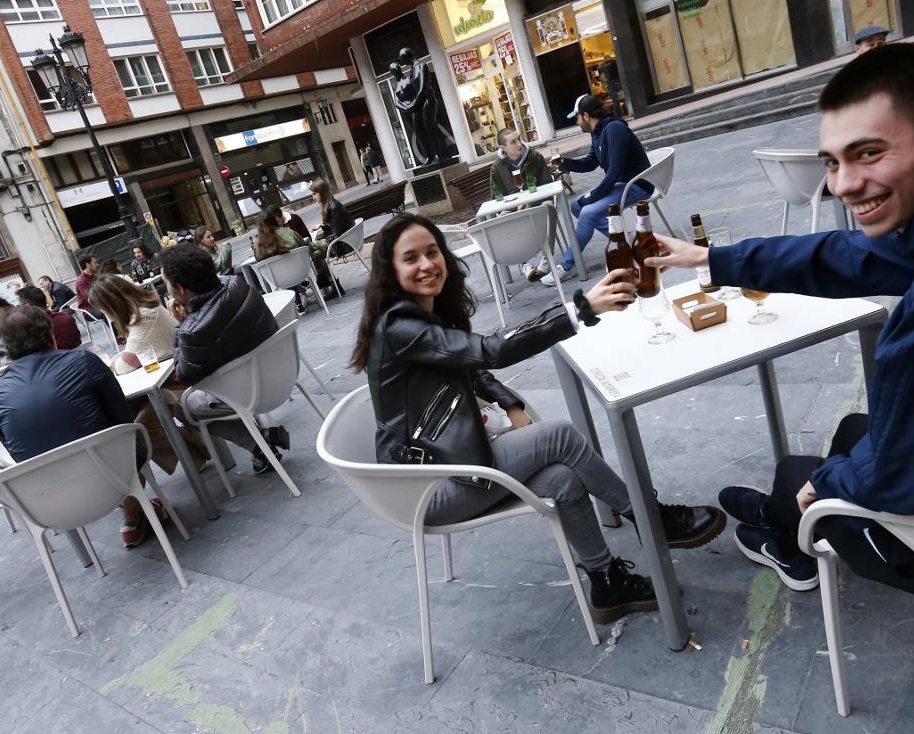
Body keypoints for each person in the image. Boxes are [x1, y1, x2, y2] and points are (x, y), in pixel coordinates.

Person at [645, 43, 914, 604]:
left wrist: (828, 483)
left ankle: (786, 539)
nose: (842, 184)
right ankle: (779, 526)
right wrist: (711, 259)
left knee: (801, 477)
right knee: (847, 437)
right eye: (832, 162)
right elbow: (847, 255)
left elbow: (900, 478)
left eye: (868, 154)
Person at [349, 213, 726, 625]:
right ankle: (652, 520)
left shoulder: (420, 314)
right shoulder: (401, 326)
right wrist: (580, 308)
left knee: (563, 479)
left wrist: (510, 405)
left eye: (432, 251)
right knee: (560, 436)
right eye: (411, 258)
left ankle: (606, 583)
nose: (426, 264)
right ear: (391, 270)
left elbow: (471, 367)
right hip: (425, 489)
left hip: (447, 465)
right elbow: (492, 350)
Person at [0, 306, 170, 547]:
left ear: (6, 346)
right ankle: (132, 512)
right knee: (132, 432)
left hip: (51, 497)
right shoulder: (84, 361)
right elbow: (123, 420)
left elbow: (14, 449)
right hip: (109, 476)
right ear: (49, 333)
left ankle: (130, 522)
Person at [160, 243, 288, 474]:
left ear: (181, 289)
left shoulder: (192, 331)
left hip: (251, 394)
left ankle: (259, 443)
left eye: (166, 285)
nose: (166, 290)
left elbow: (185, 375)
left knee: (182, 407)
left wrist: (181, 326)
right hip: (283, 373)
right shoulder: (239, 284)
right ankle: (262, 442)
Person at [90, 275, 208, 477]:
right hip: (172, 376)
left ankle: (197, 448)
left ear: (112, 303)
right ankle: (196, 451)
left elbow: (125, 365)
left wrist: (112, 366)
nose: (104, 314)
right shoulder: (145, 309)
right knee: (128, 415)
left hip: (177, 383)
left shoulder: (144, 319)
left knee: (139, 428)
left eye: (103, 308)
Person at [541, 94, 651, 286]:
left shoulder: (614, 129)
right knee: (576, 206)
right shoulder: (598, 131)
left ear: (585, 116)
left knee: (588, 212)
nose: (576, 122)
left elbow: (614, 173)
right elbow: (592, 162)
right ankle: (625, 243)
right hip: (622, 184)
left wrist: (591, 197)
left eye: (576, 118)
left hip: (637, 184)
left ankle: (566, 265)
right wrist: (566, 163)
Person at [255, 205, 320, 315]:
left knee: (282, 269)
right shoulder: (289, 233)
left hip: (278, 281)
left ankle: (297, 305)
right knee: (289, 264)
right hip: (300, 273)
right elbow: (304, 246)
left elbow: (258, 261)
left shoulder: (258, 245)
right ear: (274, 220)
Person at [15, 285, 81, 350]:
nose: (19, 309)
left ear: (27, 306)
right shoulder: (66, 317)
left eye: (19, 306)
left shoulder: (32, 329)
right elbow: (78, 342)